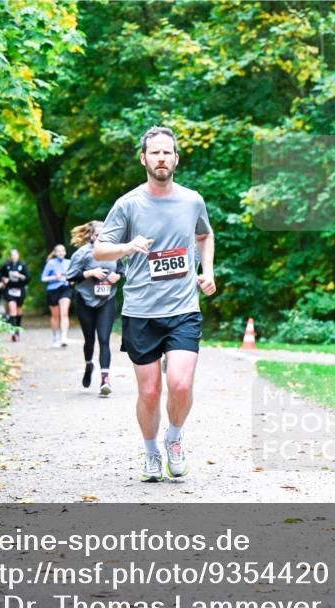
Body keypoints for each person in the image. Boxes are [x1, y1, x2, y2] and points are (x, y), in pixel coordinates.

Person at [94, 126, 216, 483]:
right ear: (144, 158)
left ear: (176, 158)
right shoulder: (128, 204)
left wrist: (207, 271)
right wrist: (127, 247)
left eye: (167, 152)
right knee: (149, 391)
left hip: (183, 310)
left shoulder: (192, 199)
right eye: (155, 152)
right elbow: (101, 249)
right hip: (141, 312)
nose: (161, 158)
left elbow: (204, 235)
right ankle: (151, 454)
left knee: (179, 384)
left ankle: (174, 439)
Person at [66, 221, 125, 396]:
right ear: (92, 236)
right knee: (89, 340)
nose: (101, 237)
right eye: (98, 234)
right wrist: (90, 273)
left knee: (104, 339)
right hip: (85, 300)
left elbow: (122, 270)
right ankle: (89, 364)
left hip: (107, 299)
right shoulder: (82, 253)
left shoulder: (115, 252)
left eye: (104, 234)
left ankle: (105, 379)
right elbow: (70, 276)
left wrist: (117, 276)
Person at [41, 244, 73, 348]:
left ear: (65, 252)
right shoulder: (51, 263)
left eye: (63, 251)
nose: (61, 253)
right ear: (55, 253)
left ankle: (64, 337)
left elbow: (73, 276)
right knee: (55, 316)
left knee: (64, 313)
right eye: (58, 251)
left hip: (65, 288)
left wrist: (71, 280)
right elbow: (43, 278)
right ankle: (55, 336)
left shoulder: (69, 262)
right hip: (53, 290)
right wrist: (55, 277)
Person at [1, 249, 30, 342]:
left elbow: (28, 278)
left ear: (18, 255)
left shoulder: (23, 265)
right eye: (12, 255)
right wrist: (4, 280)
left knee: (18, 311)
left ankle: (17, 331)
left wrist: (20, 276)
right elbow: (0, 274)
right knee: (12, 310)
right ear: (10, 256)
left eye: (15, 255)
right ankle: (13, 333)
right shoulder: (7, 266)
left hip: (20, 290)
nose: (14, 257)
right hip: (10, 290)